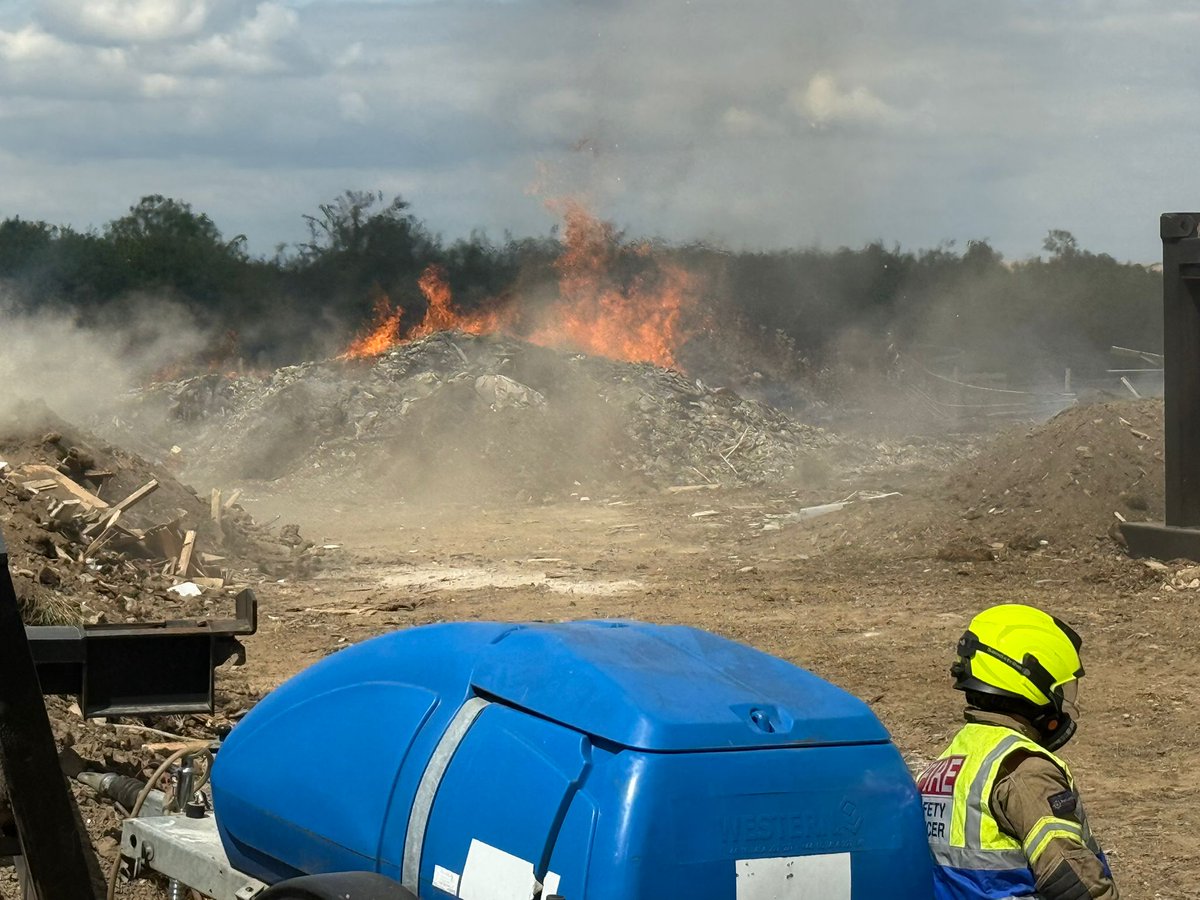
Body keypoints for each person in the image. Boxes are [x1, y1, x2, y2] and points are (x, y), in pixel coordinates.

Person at [917, 604, 1118, 899]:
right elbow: (1072, 879)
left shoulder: (946, 764)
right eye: (1061, 690)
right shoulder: (1023, 769)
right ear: (1031, 684)